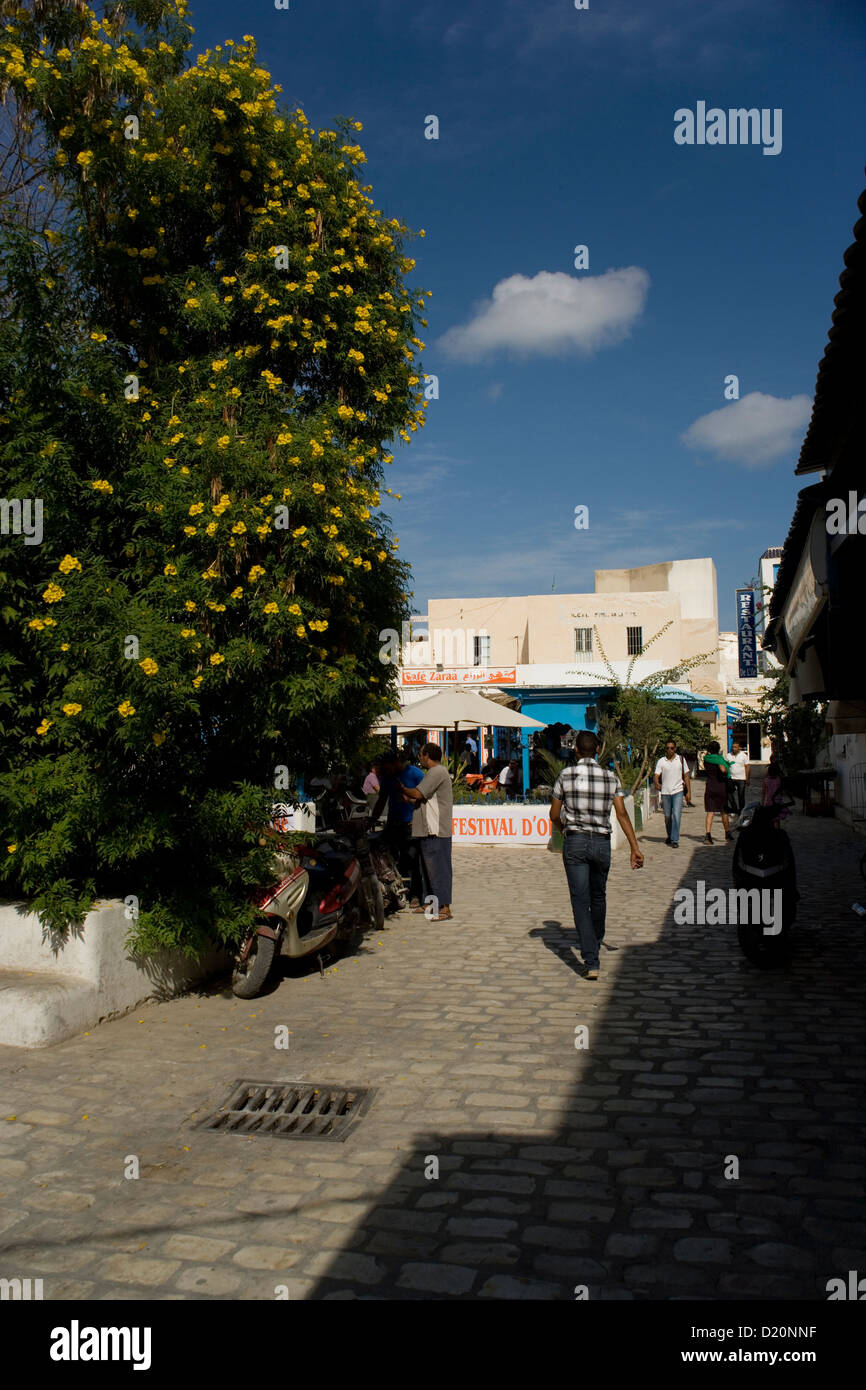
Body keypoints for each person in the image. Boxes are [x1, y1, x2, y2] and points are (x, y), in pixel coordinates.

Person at [550, 730, 644, 980]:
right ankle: (596, 938)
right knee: (598, 895)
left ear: (576, 750)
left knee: (580, 900)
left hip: (576, 842)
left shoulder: (565, 776)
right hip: (602, 843)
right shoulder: (610, 778)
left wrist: (565, 831)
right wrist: (635, 847)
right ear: (599, 750)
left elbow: (553, 814)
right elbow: (622, 814)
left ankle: (591, 959)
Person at [400, 742, 454, 921]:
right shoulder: (432, 773)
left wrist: (403, 788)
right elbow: (422, 800)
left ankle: (444, 908)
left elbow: (418, 794)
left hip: (436, 830)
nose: (419, 758)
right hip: (428, 830)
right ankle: (431, 904)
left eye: (421, 755)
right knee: (428, 871)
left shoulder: (437, 772)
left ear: (427, 756)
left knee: (438, 870)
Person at [370, 749, 424, 906]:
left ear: (396, 762)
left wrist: (417, 816)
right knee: (388, 858)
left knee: (414, 860)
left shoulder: (415, 774)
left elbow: (425, 797)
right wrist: (373, 819)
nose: (386, 769)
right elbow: (382, 800)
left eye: (388, 765)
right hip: (394, 823)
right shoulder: (388, 778)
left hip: (411, 824)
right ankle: (393, 890)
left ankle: (415, 894)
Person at [653, 739, 692, 848]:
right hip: (665, 792)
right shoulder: (661, 761)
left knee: (676, 815)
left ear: (675, 748)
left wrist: (688, 792)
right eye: (667, 748)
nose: (669, 750)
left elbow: (686, 776)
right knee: (667, 816)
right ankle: (670, 835)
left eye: (672, 748)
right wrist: (656, 783)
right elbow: (656, 775)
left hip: (678, 791)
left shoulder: (681, 760)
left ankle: (675, 839)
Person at [702, 740, 731, 844]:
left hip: (710, 786)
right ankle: (727, 833)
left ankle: (708, 835)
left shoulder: (706, 759)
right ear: (718, 749)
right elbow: (723, 770)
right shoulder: (719, 759)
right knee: (724, 811)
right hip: (720, 787)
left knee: (710, 811)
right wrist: (726, 771)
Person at [725, 739, 750, 815]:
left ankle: (742, 811)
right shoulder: (728, 755)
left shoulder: (744, 756)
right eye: (733, 747)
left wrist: (747, 778)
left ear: (739, 747)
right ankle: (734, 808)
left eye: (735, 747)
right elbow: (726, 766)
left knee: (741, 795)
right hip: (731, 778)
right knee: (729, 794)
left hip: (741, 779)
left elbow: (747, 767)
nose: (734, 748)